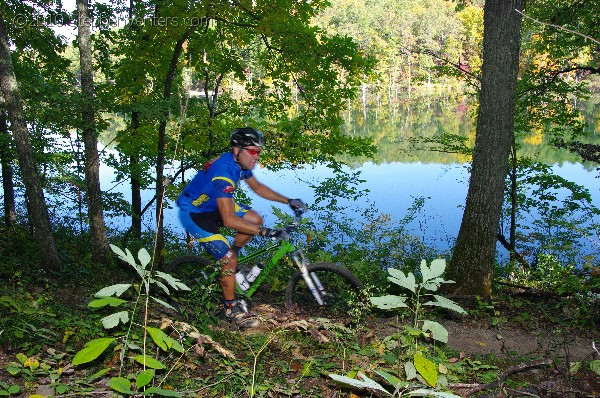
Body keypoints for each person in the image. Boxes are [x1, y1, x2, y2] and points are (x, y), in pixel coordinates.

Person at [177, 127, 306, 328]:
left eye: (259, 151)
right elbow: (229, 220)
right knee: (230, 260)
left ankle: (234, 253)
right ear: (237, 150)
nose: (257, 156)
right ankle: (229, 309)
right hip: (194, 213)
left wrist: (289, 200)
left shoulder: (240, 163)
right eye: (252, 151)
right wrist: (267, 233)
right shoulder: (224, 174)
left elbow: (258, 188)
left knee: (255, 219)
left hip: (214, 204)